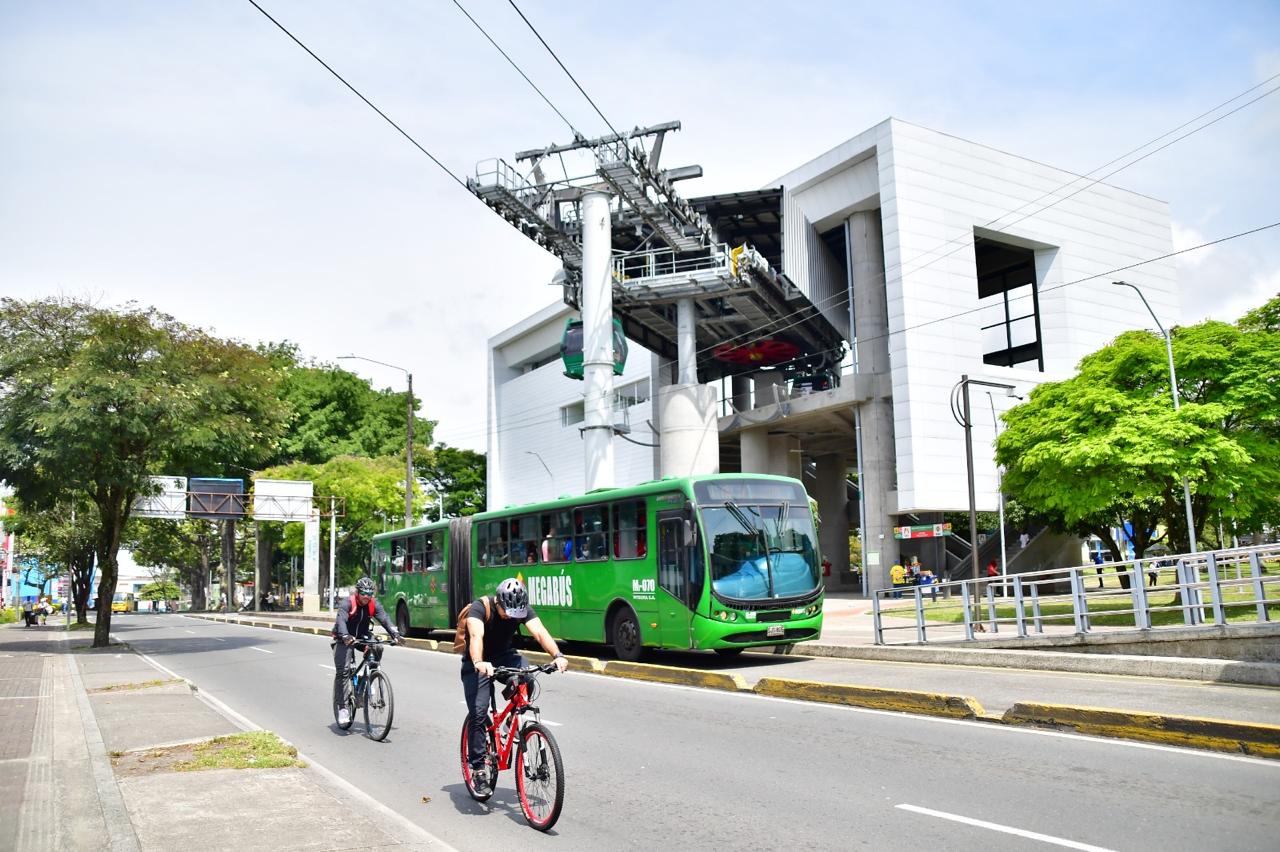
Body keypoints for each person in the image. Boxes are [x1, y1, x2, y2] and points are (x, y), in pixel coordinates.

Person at [461, 577, 568, 793]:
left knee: (528, 675)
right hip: (477, 661)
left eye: (516, 613)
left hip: (503, 656)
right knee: (479, 711)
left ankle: (512, 721)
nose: (511, 616)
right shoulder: (480, 608)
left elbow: (539, 632)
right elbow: (475, 636)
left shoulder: (521, 608)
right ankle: (478, 769)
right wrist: (480, 662)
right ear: (499, 602)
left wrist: (557, 655)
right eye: (507, 611)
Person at [332, 576, 403, 727]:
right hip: (344, 638)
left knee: (377, 646)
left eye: (370, 594)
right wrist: (345, 636)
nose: (366, 596)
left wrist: (396, 635)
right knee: (343, 672)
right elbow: (341, 621)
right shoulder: (347, 603)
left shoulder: (373, 604)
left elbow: (385, 619)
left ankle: (369, 675)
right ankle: (343, 709)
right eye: (364, 593)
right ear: (357, 592)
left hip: (362, 636)